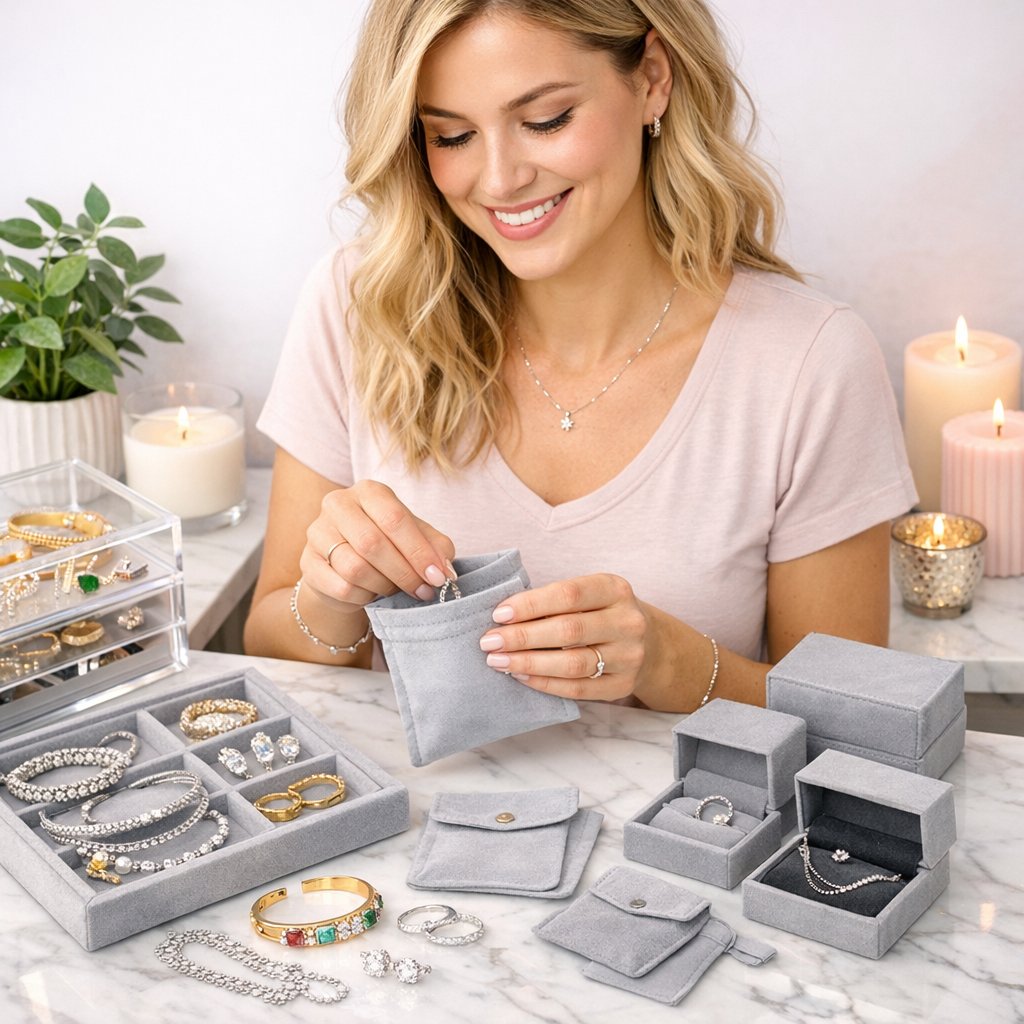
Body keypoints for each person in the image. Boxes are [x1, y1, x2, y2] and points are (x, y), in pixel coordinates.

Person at [244, 0, 916, 713]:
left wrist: (671, 664)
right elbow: (269, 638)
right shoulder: (358, 305)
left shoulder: (808, 362)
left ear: (653, 78)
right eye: (452, 135)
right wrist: (331, 596)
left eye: (546, 120)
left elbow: (857, 717)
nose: (499, 180)